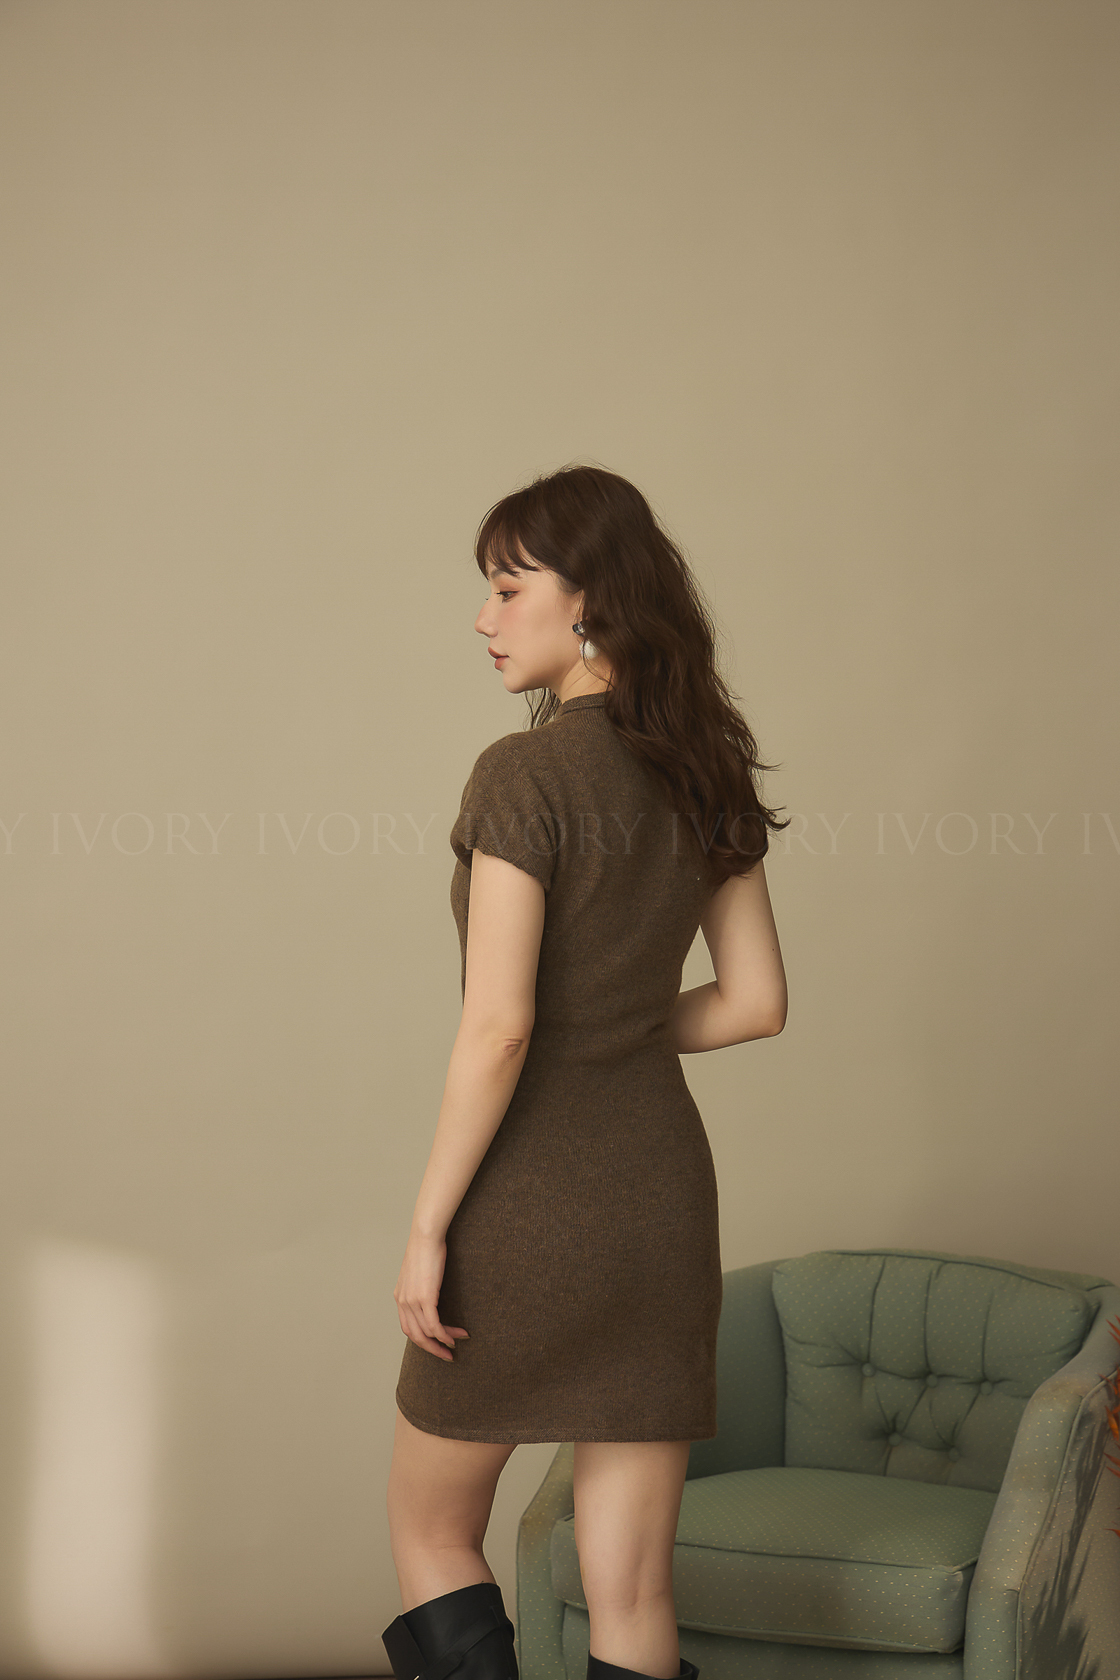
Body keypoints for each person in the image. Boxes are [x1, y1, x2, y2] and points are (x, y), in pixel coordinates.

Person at [383, 464, 789, 1680]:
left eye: (509, 589)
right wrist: (615, 1024)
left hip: (527, 1210)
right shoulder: (703, 771)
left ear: (592, 601)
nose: (484, 617)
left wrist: (427, 1227)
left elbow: (499, 1029)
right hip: (659, 1207)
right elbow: (756, 1003)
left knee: (431, 1528)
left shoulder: (524, 775)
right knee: (633, 1587)